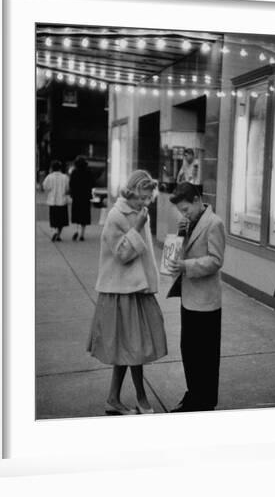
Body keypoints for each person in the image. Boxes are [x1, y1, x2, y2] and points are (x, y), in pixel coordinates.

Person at [87, 170, 167, 415]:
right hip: (120, 291)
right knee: (133, 347)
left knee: (129, 347)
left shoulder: (139, 212)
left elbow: (145, 256)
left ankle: (113, 399)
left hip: (137, 290)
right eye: (141, 197)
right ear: (131, 191)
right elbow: (122, 254)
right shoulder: (116, 216)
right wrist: (138, 227)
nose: (145, 203)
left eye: (148, 198)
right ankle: (141, 399)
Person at [166, 182, 225, 412]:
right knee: (188, 350)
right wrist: (181, 235)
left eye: (186, 209)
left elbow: (216, 260)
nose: (184, 214)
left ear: (198, 200)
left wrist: (186, 266)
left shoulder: (214, 223)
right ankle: (193, 394)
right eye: (181, 211)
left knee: (206, 356)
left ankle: (205, 401)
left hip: (207, 301)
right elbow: (182, 251)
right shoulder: (189, 222)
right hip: (189, 297)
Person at [42, 160, 70, 242]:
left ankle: (54, 231)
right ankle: (58, 234)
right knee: (61, 220)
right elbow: (68, 188)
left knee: (53, 218)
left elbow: (45, 186)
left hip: (52, 201)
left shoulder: (49, 177)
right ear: (60, 168)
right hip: (62, 201)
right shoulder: (65, 177)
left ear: (52, 168)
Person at [69, 155, 93, 241]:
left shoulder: (74, 172)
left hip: (76, 196)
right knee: (84, 215)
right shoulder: (88, 172)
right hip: (85, 197)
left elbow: (71, 184)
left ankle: (76, 230)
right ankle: (82, 233)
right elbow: (91, 183)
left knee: (77, 215)